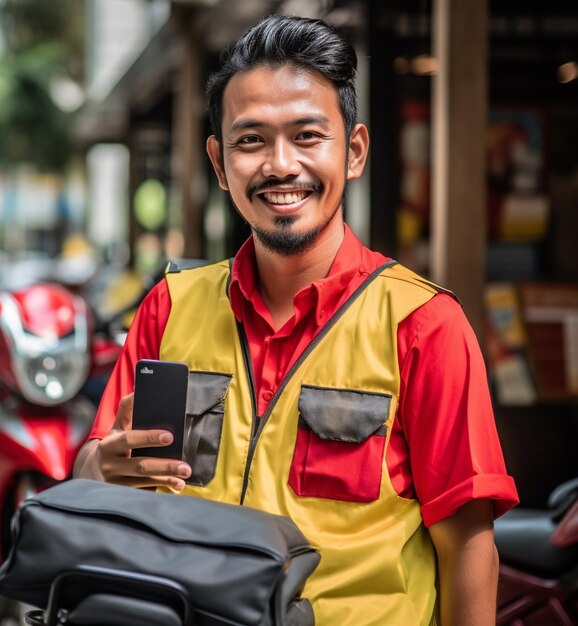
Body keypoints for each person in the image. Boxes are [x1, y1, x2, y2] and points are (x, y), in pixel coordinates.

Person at [74, 14, 519, 626]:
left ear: (354, 150)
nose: (280, 165)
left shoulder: (423, 325)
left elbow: (467, 545)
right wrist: (101, 465)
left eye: (308, 135)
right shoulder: (170, 305)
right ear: (219, 161)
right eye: (251, 140)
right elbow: (92, 472)